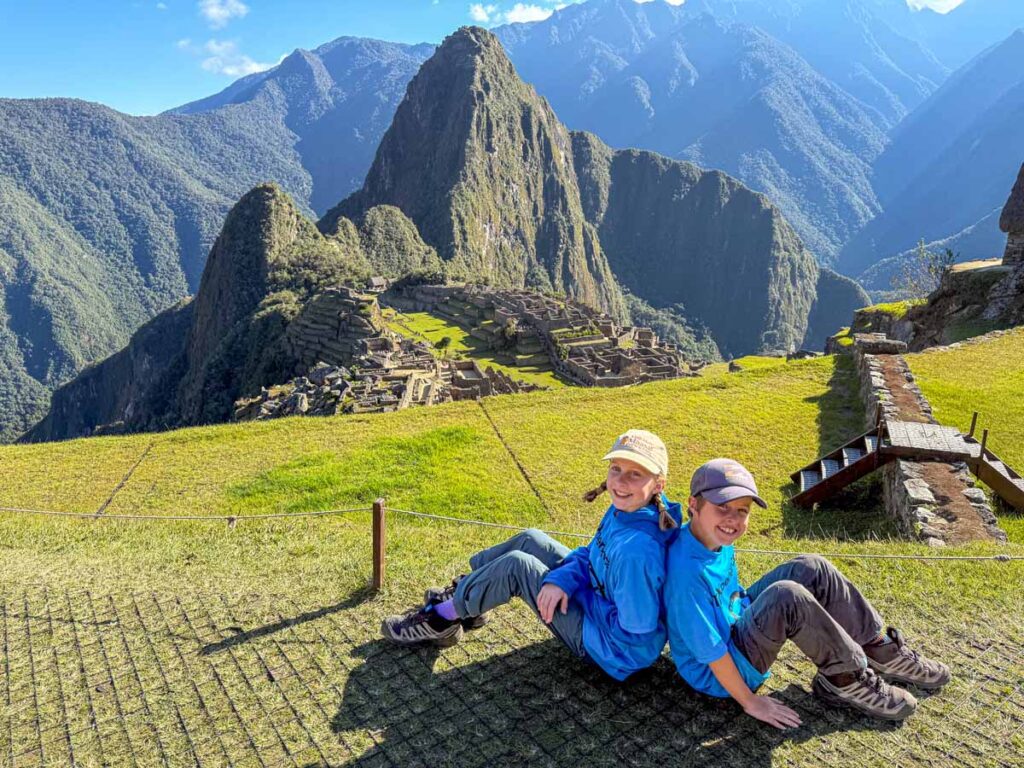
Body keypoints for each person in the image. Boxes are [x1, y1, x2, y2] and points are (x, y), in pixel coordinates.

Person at [664, 458, 950, 727]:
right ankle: (844, 679)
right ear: (693, 505)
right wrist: (750, 702)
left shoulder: (711, 535)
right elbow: (711, 653)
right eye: (722, 507)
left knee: (812, 566)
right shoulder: (686, 575)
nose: (733, 519)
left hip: (735, 618)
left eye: (742, 510)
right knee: (787, 596)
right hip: (720, 672)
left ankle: (879, 649)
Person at [381, 429, 683, 682]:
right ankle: (467, 594)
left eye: (635, 474)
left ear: (658, 484)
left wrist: (574, 593)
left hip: (610, 648)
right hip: (599, 603)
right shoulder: (628, 510)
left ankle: (441, 619)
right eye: (616, 469)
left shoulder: (637, 553)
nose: (620, 481)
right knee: (531, 539)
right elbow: (592, 557)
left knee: (518, 566)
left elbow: (636, 631)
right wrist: (563, 580)